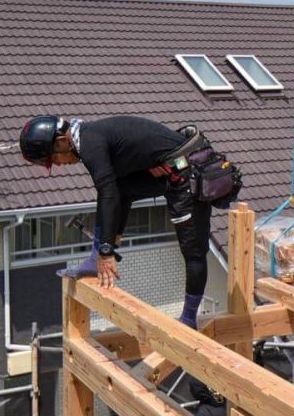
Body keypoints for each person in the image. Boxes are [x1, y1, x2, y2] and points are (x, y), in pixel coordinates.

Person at [18, 115, 238, 328]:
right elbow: (114, 190)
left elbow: (108, 195)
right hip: (168, 170)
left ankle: (189, 319)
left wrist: (107, 251)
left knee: (193, 252)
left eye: (54, 159)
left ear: (62, 141)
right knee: (119, 188)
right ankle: (95, 258)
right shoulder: (87, 138)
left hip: (186, 174)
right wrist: (106, 248)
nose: (58, 164)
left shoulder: (90, 143)